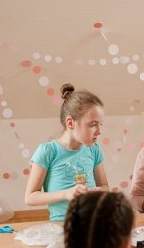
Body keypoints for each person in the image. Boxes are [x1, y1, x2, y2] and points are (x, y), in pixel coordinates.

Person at [25, 83, 109, 221]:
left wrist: (97, 192)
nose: (99, 132)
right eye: (93, 124)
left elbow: (105, 187)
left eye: (100, 125)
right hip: (63, 225)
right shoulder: (47, 152)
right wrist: (66, 194)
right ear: (71, 123)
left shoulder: (94, 150)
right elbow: (30, 197)